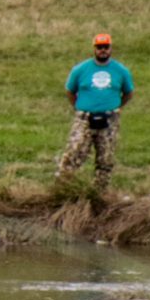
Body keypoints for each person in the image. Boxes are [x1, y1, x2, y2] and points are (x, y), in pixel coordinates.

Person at [59, 32, 134, 191]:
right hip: (84, 119)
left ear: (110, 48)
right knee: (73, 154)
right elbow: (70, 91)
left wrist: (116, 108)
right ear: (94, 48)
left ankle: (100, 194)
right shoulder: (80, 69)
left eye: (106, 47)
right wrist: (80, 108)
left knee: (105, 160)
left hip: (109, 121)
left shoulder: (121, 71)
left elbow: (128, 93)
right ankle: (64, 190)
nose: (103, 50)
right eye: (99, 47)